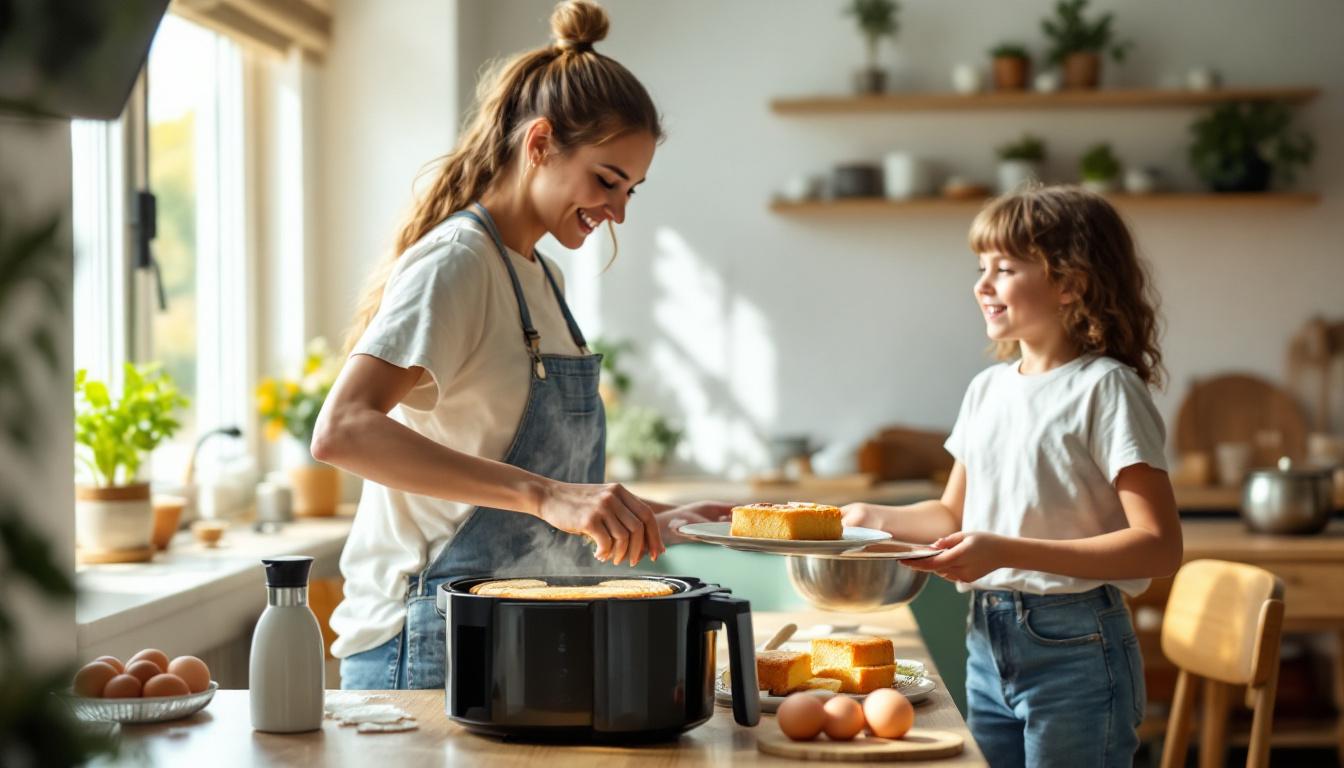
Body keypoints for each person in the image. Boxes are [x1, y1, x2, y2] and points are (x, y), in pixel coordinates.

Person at [313, 0, 726, 690]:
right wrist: (547, 496)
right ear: (539, 145)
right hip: (429, 642)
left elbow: (524, 471)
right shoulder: (458, 264)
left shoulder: (542, 275)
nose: (619, 210)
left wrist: (655, 519)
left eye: (632, 189)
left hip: (523, 632)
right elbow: (343, 431)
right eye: (606, 179)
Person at [843, 185, 1183, 767]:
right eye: (981, 267)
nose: (981, 284)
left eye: (1003, 268)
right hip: (986, 641)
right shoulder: (988, 389)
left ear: (1070, 284)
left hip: (1077, 645)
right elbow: (951, 515)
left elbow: (1159, 548)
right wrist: (872, 520)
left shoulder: (1105, 388)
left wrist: (1003, 550)